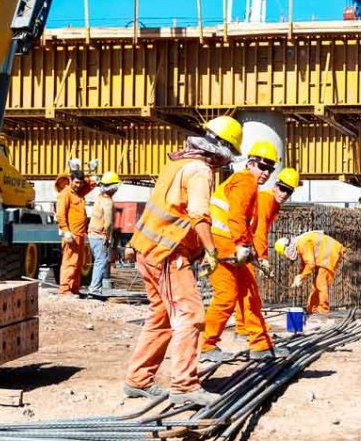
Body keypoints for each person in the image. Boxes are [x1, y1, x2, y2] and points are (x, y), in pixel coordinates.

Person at [124, 115, 242, 408]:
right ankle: (184, 386)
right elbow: (199, 215)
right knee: (190, 315)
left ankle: (138, 380)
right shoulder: (200, 171)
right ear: (222, 149)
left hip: (147, 249)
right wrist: (212, 252)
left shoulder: (177, 162)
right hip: (167, 253)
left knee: (161, 317)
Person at [201, 141, 288, 362]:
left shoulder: (249, 184)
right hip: (223, 246)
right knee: (226, 297)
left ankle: (260, 345)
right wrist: (242, 245)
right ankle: (206, 346)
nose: (265, 173)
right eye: (262, 166)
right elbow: (236, 216)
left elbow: (249, 225)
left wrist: (251, 250)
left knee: (250, 295)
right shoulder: (246, 181)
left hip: (231, 245)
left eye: (269, 169)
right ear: (250, 163)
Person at [234, 168, 299, 340]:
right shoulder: (266, 200)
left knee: (246, 289)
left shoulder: (273, 204)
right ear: (276, 186)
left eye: (289, 191)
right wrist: (262, 258)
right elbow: (260, 231)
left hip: (245, 246)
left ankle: (245, 325)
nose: (285, 194)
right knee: (248, 290)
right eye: (283, 188)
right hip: (240, 246)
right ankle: (247, 326)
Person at [275, 231, 345, 314]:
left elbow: (310, 263)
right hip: (329, 252)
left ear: (286, 248)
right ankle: (312, 309)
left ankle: (323, 311)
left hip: (328, 253)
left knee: (320, 282)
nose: (286, 256)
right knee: (316, 285)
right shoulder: (299, 243)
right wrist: (300, 276)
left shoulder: (301, 244)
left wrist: (301, 277)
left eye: (284, 253)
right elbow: (305, 263)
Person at [56, 170, 96, 295]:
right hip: (71, 235)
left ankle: (74, 289)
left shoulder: (78, 193)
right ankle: (65, 289)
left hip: (79, 235)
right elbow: (60, 214)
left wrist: (91, 173)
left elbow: (91, 184)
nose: (78, 185)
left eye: (80, 183)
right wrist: (65, 231)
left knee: (78, 264)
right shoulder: (66, 194)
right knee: (70, 263)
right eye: (76, 182)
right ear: (70, 180)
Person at [86, 171, 122, 299]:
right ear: (113, 187)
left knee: (98, 261)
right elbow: (108, 224)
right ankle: (94, 290)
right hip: (100, 236)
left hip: (92, 234)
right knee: (101, 262)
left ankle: (96, 289)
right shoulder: (108, 202)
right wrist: (109, 237)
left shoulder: (99, 198)